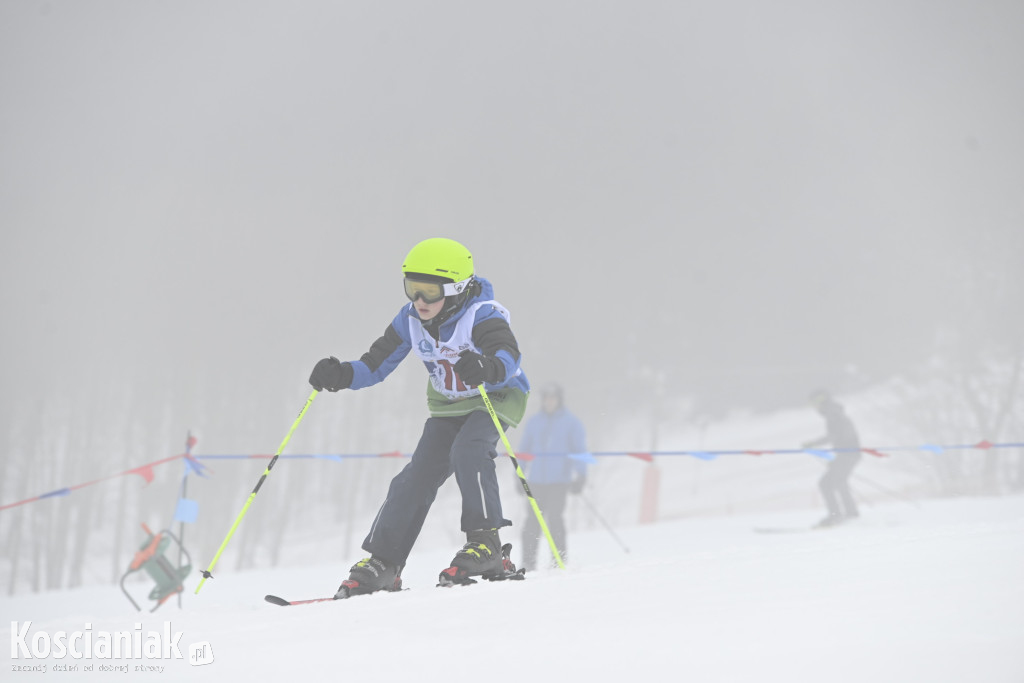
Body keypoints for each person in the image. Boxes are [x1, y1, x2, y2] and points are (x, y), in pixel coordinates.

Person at [308, 238, 530, 596]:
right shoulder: (410, 319)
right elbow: (374, 365)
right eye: (412, 289)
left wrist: (487, 366)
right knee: (415, 477)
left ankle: (486, 543)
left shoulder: (481, 313)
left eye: (430, 291)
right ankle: (384, 562)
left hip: (495, 396)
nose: (420, 301)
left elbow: (508, 356)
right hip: (449, 404)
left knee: (470, 451)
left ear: (457, 290)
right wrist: (341, 375)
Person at [517, 382, 587, 570]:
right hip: (536, 480)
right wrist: (519, 474)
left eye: (553, 398)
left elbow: (579, 450)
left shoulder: (571, 422)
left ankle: (559, 559)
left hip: (559, 481)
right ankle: (528, 562)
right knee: (532, 521)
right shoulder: (534, 422)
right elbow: (524, 449)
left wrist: (581, 475)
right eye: (546, 398)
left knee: (555, 519)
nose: (549, 402)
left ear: (559, 400)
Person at [802, 389, 862, 527]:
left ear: (820, 401)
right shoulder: (834, 412)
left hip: (848, 454)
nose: (814, 407)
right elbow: (839, 436)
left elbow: (835, 436)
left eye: (814, 403)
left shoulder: (833, 414)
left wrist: (812, 444)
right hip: (848, 454)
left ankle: (837, 516)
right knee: (838, 481)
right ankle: (850, 513)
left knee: (826, 483)